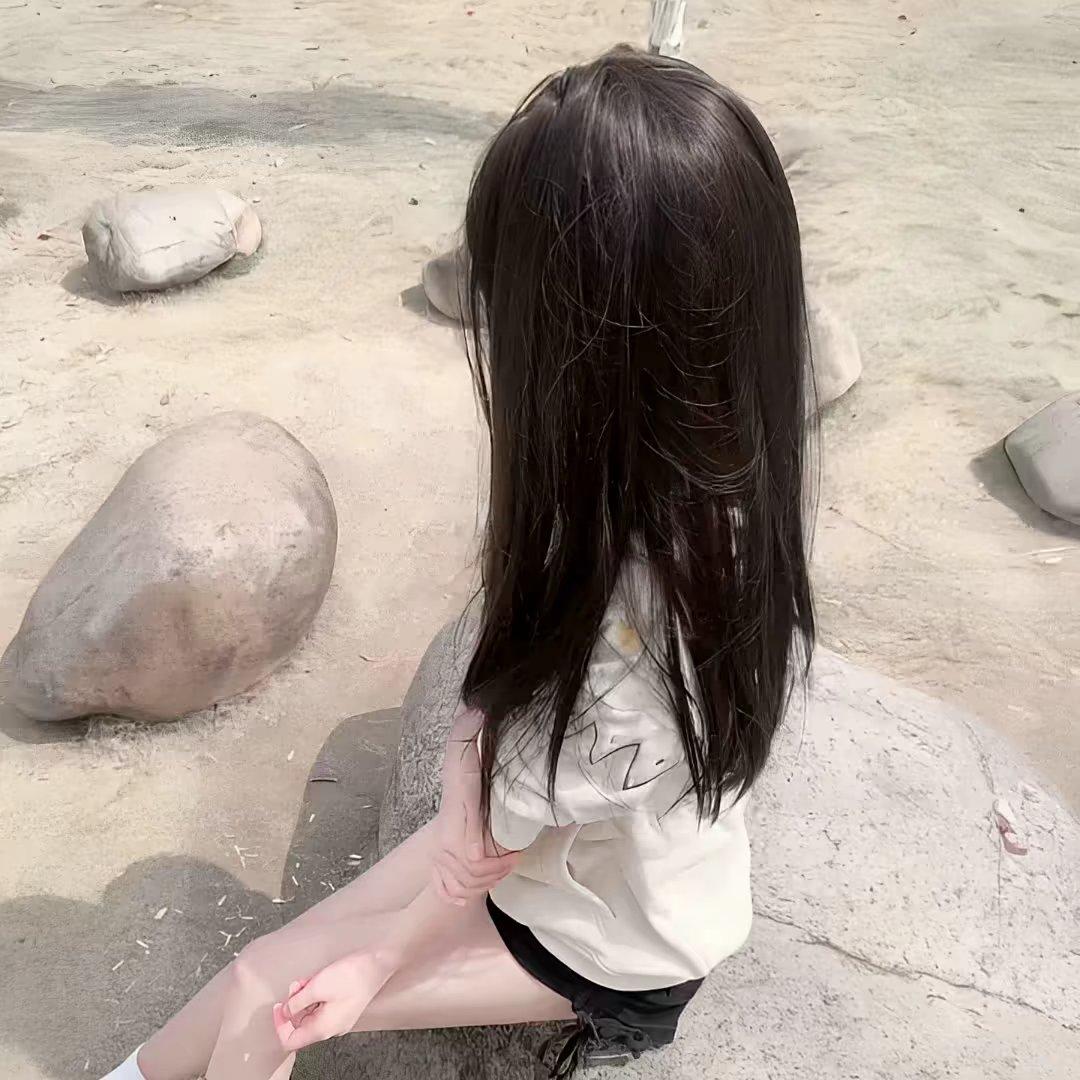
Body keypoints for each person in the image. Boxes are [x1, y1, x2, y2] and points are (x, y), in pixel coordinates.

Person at [101, 44, 816, 1080]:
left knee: (274, 997)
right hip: (578, 859)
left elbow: (483, 853)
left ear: (571, 344)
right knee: (259, 970)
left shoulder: (632, 628)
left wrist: (375, 963)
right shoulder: (719, 499)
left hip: (611, 944)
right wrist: (476, 757)